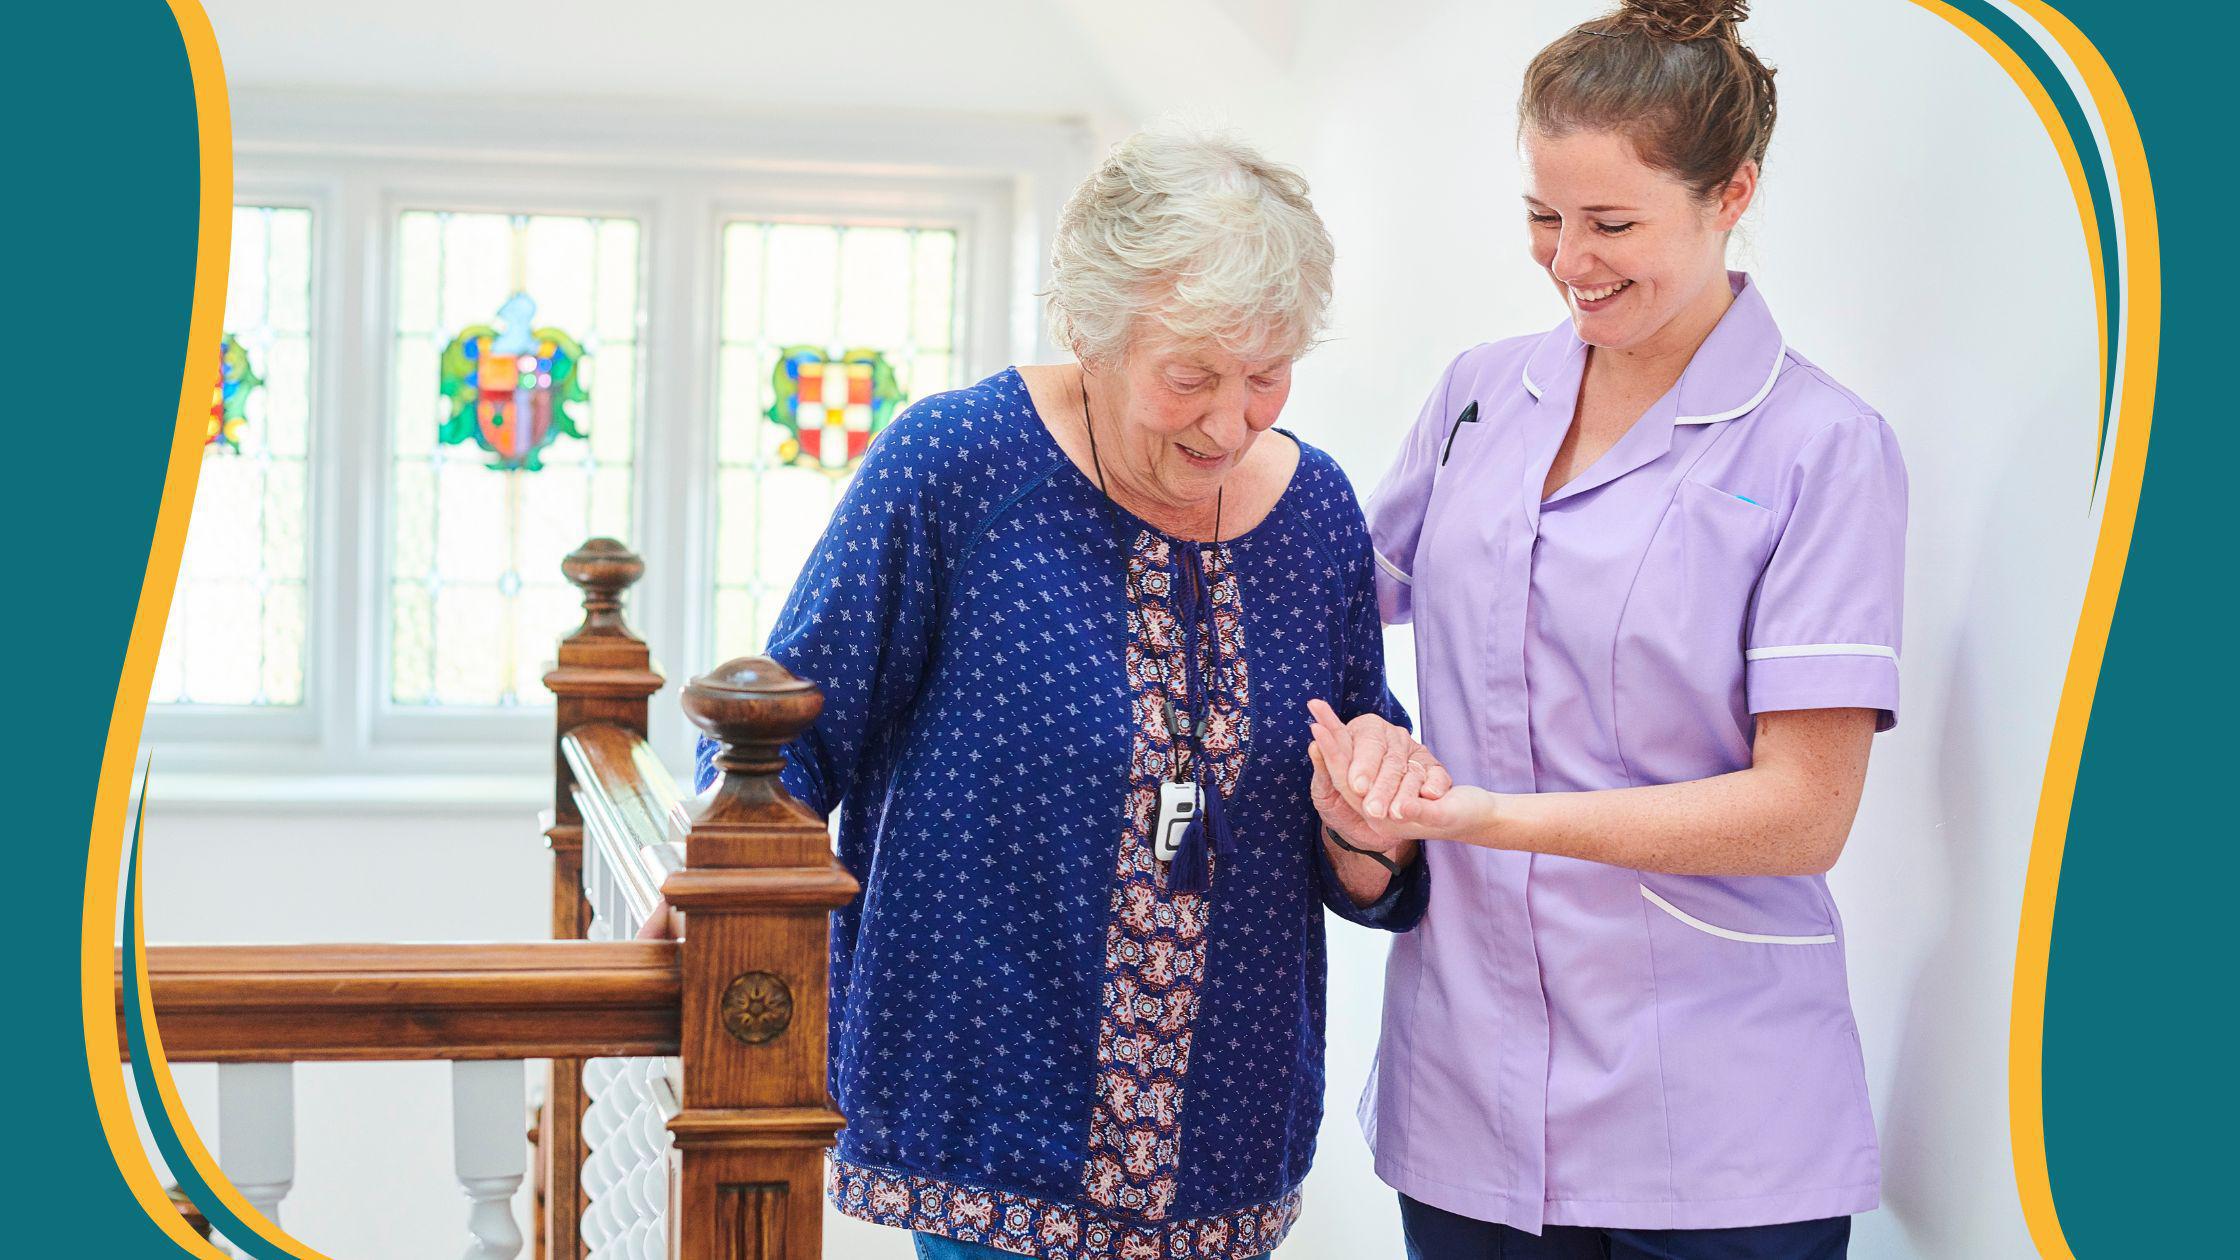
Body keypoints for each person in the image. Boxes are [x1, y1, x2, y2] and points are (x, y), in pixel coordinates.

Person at [689, 126, 1440, 1260]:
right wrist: (717, 889)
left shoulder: (1316, 513)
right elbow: (787, 740)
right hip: (987, 1117)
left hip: (1226, 1144)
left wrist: (1377, 831)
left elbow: (1356, 801)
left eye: (1266, 374)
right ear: (1088, 328)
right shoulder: (956, 466)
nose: (1231, 422)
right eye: (1189, 375)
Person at [1307, 3, 1906, 1257]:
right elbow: (1323, 605)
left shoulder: (1818, 448)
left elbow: (1804, 810)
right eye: (1542, 214)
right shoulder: (1480, 395)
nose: (1568, 257)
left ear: (1731, 191)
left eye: (1613, 222)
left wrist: (1482, 821)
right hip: (1468, 1090)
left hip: (1717, 1119)